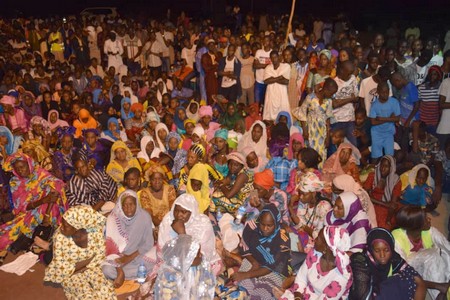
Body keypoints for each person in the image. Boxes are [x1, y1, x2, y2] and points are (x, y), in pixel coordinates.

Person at [44, 206, 116, 299]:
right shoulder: (60, 238)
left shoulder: (94, 233)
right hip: (70, 275)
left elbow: (100, 256)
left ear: (77, 225)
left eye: (65, 226)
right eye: (62, 223)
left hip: (92, 268)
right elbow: (63, 269)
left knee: (105, 290)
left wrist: (82, 266)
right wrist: (89, 260)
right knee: (86, 295)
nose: (61, 227)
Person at [0, 153, 67, 254]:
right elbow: (23, 207)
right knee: (5, 238)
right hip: (28, 214)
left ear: (29, 164)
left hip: (49, 210)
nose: (20, 171)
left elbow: (57, 187)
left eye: (22, 167)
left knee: (48, 207)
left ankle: (34, 239)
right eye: (17, 168)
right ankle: (34, 239)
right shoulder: (15, 182)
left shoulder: (40, 174)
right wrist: (43, 200)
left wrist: (47, 213)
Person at [232, 204, 291, 299]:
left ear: (276, 223)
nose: (265, 228)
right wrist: (254, 262)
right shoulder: (252, 226)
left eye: (269, 225)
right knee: (242, 290)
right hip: (253, 259)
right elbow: (244, 247)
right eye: (262, 224)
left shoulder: (283, 240)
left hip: (275, 269)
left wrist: (246, 274)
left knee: (261, 294)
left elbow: (271, 266)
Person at [349, 227, 427, 300]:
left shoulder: (393, 256)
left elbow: (417, 279)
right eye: (377, 251)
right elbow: (362, 297)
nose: (382, 255)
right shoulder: (360, 261)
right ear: (370, 249)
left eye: (386, 250)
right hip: (366, 296)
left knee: (408, 280)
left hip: (380, 292)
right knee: (394, 284)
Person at [392, 206, 450, 299]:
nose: (429, 219)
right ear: (416, 225)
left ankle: (443, 291)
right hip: (408, 273)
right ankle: (441, 291)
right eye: (425, 219)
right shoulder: (397, 239)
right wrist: (437, 285)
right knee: (433, 254)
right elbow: (403, 275)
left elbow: (447, 247)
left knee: (441, 254)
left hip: (428, 268)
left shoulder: (430, 231)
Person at [279, 226, 352, 300]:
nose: (315, 239)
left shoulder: (343, 276)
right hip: (305, 290)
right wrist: (298, 297)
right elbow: (301, 278)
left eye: (318, 238)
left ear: (326, 247)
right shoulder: (314, 253)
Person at [103, 190, 156, 288]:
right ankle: (125, 275)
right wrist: (119, 269)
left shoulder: (144, 217)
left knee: (155, 258)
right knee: (106, 270)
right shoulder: (113, 218)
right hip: (118, 258)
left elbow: (148, 243)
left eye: (131, 204)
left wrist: (129, 257)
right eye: (125, 205)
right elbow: (110, 250)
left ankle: (125, 275)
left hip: (138, 254)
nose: (128, 209)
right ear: (120, 205)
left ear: (136, 203)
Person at [157, 194, 221, 273]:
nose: (178, 215)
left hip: (197, 263)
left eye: (184, 212)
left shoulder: (203, 223)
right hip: (173, 261)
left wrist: (182, 234)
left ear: (192, 212)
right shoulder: (168, 219)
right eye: (176, 210)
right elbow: (163, 250)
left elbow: (200, 258)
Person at [298, 78, 337, 168]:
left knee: (321, 154)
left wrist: (327, 137)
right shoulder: (310, 97)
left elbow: (328, 119)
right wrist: (305, 130)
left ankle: (318, 175)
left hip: (321, 132)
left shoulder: (328, 102)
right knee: (310, 153)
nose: (332, 95)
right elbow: (302, 114)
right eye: (331, 93)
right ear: (326, 89)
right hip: (311, 130)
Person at [289, 171, 331, 254]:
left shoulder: (324, 206)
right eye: (300, 193)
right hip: (304, 238)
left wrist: (303, 227)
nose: (300, 197)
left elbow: (318, 236)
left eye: (304, 194)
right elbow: (298, 223)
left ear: (314, 193)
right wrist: (290, 206)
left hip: (317, 245)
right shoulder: (304, 201)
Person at [363, 155, 402, 229]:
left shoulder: (395, 181)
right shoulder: (373, 176)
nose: (383, 169)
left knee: (385, 225)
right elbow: (365, 195)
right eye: (382, 165)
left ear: (391, 168)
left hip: (387, 207)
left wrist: (388, 219)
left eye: (386, 166)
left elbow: (392, 203)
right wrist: (384, 204)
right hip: (372, 204)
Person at [369, 82, 401, 161]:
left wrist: (381, 118)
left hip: (389, 133)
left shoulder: (394, 102)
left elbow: (397, 118)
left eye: (387, 92)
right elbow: (373, 122)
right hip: (377, 133)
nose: (385, 94)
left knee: (389, 157)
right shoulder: (374, 105)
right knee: (375, 157)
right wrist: (390, 118)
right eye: (383, 92)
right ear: (378, 92)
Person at [140, 165, 176, 230]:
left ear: (163, 179)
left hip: (170, 223)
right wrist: (163, 226)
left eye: (159, 179)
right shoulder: (145, 193)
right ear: (150, 180)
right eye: (154, 179)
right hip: (154, 226)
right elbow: (149, 216)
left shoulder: (169, 189)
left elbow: (173, 210)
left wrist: (169, 226)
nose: (157, 182)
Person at [331, 60, 359, 146]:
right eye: (348, 73)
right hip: (336, 120)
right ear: (342, 70)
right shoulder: (333, 83)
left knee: (353, 146)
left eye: (351, 73)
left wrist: (342, 101)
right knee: (333, 148)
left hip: (350, 119)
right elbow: (334, 104)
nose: (350, 75)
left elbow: (357, 98)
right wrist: (350, 98)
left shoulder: (353, 79)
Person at [263, 51, 291, 121]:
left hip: (282, 92)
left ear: (278, 57)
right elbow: (266, 81)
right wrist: (279, 78)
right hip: (271, 93)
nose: (274, 59)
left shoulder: (285, 66)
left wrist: (272, 79)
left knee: (283, 112)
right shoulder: (268, 68)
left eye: (275, 57)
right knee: (269, 114)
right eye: (272, 58)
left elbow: (286, 81)